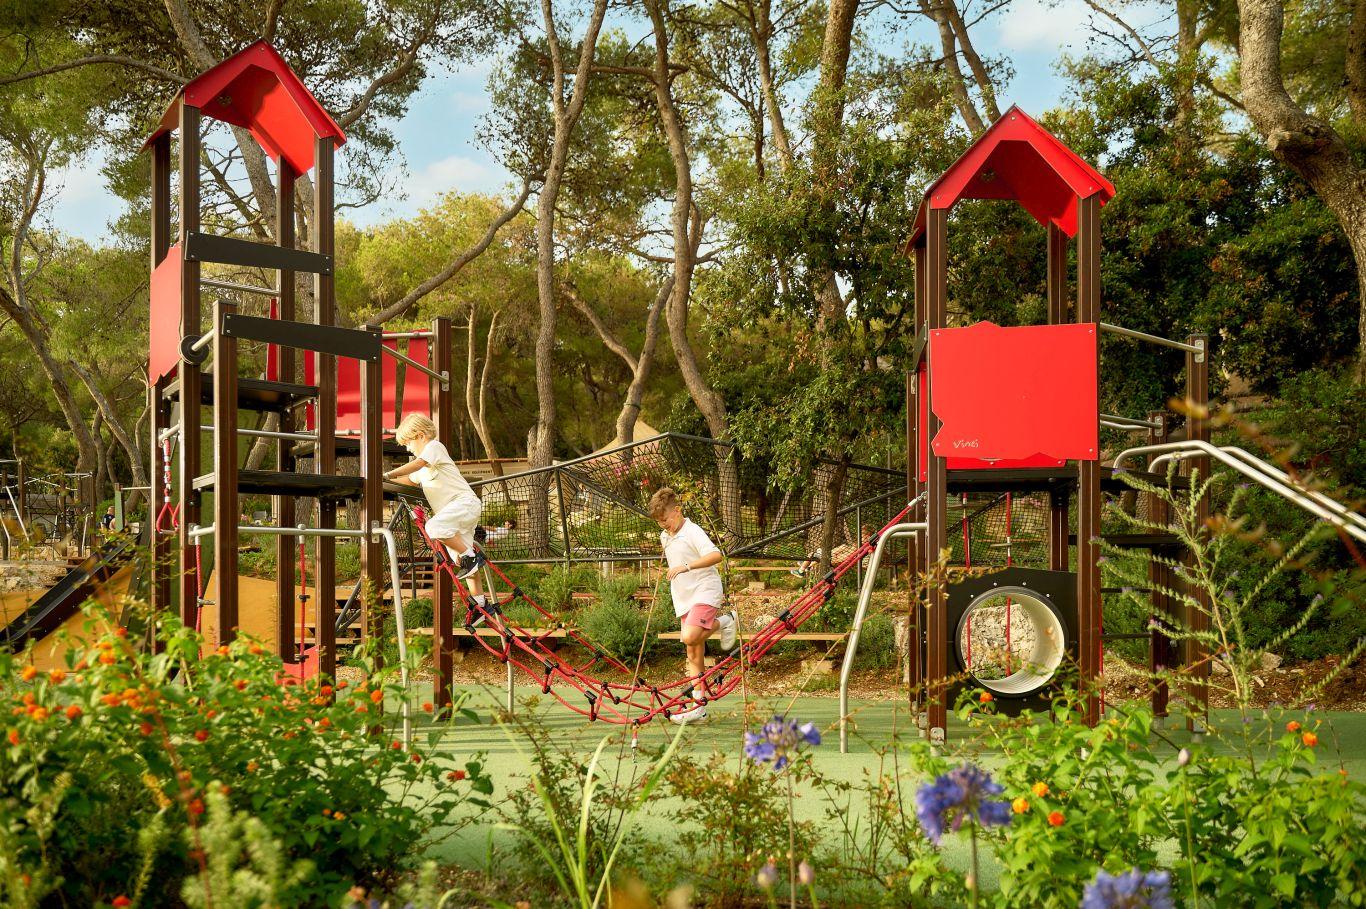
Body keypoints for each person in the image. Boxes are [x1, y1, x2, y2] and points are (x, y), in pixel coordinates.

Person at [649, 487, 737, 725]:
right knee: (693, 651)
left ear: (677, 511)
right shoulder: (665, 536)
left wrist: (685, 567)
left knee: (690, 636)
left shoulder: (692, 530)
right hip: (684, 597)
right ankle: (699, 707)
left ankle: (726, 620)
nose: (663, 526)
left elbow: (716, 556)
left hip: (705, 590)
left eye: (665, 520)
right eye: (659, 522)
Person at [385, 415, 485, 591]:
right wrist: (384, 482)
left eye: (408, 443)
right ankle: (480, 602)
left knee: (433, 527)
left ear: (421, 436)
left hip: (463, 504)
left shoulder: (434, 447)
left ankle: (471, 556)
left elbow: (418, 463)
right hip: (454, 514)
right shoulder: (423, 469)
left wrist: (388, 474)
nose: (408, 448)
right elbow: (410, 479)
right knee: (462, 561)